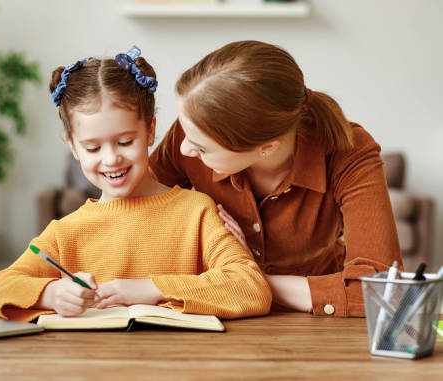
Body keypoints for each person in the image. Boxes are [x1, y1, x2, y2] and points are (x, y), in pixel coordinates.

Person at [0, 46, 272, 322]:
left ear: (150, 131)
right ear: (73, 146)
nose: (111, 159)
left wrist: (151, 289)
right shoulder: (65, 233)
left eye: (125, 142)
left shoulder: (197, 212)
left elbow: (251, 288)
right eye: (92, 148)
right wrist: (52, 294)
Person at [149, 40, 402, 317]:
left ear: (266, 148)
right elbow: (138, 211)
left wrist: (247, 279)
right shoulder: (195, 130)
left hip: (316, 323)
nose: (184, 148)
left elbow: (383, 291)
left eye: (201, 148)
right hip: (211, 313)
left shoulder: (348, 151)